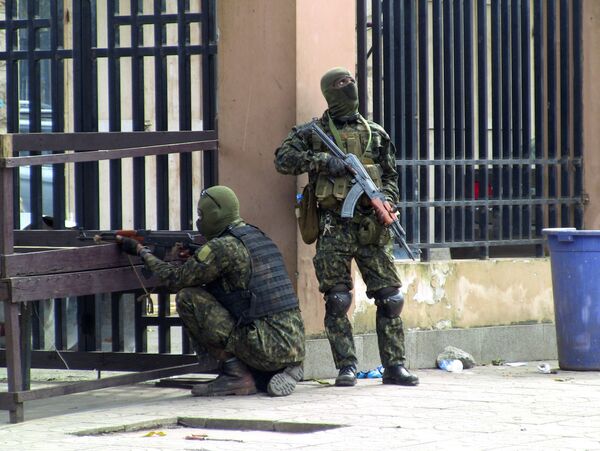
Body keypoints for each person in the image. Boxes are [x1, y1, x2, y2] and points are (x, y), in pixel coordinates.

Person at [274, 67, 419, 387]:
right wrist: (325, 162)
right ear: (329, 92)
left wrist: (388, 203)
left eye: (351, 82)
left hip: (372, 227)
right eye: (341, 84)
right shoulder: (314, 132)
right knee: (338, 299)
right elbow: (283, 159)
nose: (349, 87)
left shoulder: (375, 133)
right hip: (333, 227)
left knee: (391, 298)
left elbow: (391, 177)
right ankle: (347, 366)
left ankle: (394, 365)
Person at [117, 185, 306, 397]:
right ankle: (281, 367)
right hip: (294, 342)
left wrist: (141, 251)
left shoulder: (221, 247)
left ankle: (236, 375)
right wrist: (197, 255)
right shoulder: (257, 236)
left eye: (201, 214)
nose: (198, 221)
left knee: (188, 298)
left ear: (215, 214)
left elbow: (175, 279)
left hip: (266, 344)